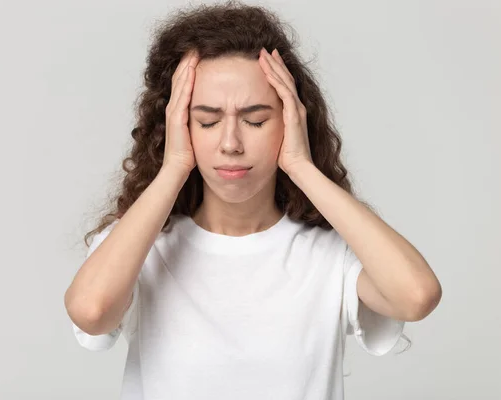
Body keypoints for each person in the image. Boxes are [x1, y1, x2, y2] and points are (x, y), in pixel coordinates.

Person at [64, 1, 442, 399]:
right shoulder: (142, 246)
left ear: (291, 120)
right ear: (177, 125)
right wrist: (173, 165)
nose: (230, 144)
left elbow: (416, 296)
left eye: (255, 120)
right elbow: (91, 312)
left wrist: (302, 166)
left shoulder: (330, 254)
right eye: (206, 121)